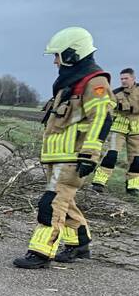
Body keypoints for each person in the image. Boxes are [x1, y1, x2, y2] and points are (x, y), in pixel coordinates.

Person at [13, 27, 115, 269]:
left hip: (72, 158)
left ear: (72, 54)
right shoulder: (69, 84)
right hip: (58, 158)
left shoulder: (95, 82)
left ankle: (40, 251)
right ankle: (79, 242)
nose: (55, 62)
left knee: (51, 203)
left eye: (57, 56)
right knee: (65, 202)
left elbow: (101, 117)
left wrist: (90, 154)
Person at [92, 67, 139, 195]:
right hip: (118, 129)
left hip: (136, 131)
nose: (123, 81)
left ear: (133, 78)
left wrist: (125, 107)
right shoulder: (116, 93)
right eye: (121, 78)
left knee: (136, 160)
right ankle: (99, 182)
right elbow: (107, 106)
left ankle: (133, 187)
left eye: (126, 78)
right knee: (111, 155)